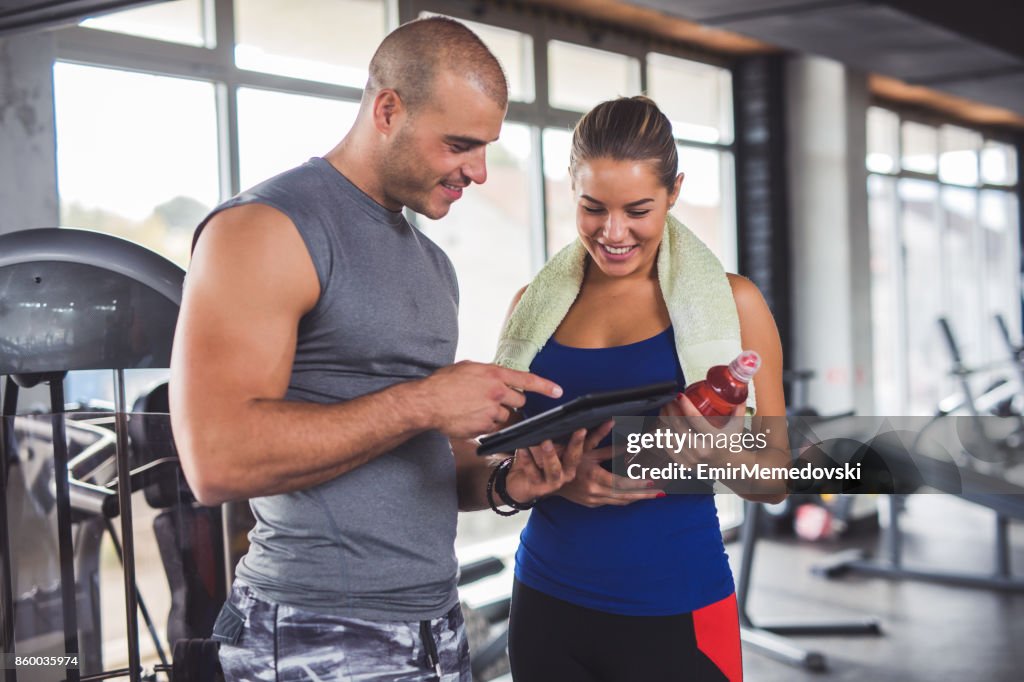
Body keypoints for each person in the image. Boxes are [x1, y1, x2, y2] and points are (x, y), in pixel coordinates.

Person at [169, 17, 603, 681]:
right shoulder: (265, 229)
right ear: (388, 109)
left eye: (486, 147)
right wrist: (424, 400)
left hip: (435, 626)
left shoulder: (433, 265)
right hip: (313, 629)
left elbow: (421, 458)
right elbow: (215, 458)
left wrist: (506, 481)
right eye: (460, 144)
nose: (479, 172)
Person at [495, 96, 790, 681]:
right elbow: (503, 447)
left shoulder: (734, 304)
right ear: (571, 191)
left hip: (675, 605)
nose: (613, 232)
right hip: (545, 601)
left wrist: (717, 451)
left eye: (637, 209)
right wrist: (559, 476)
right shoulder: (532, 307)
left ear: (674, 191)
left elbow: (776, 478)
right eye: (592, 208)